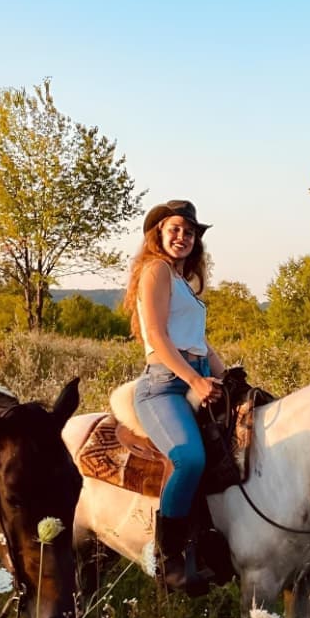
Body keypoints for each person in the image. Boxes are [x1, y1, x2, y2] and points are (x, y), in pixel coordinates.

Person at [122, 200, 226, 595]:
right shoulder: (156, 270)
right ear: (159, 235)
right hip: (164, 384)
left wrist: (230, 378)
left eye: (190, 231)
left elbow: (200, 343)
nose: (183, 237)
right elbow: (159, 336)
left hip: (196, 376)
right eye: (175, 229)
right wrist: (193, 381)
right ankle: (167, 558)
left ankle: (212, 542)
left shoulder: (185, 283)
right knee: (189, 458)